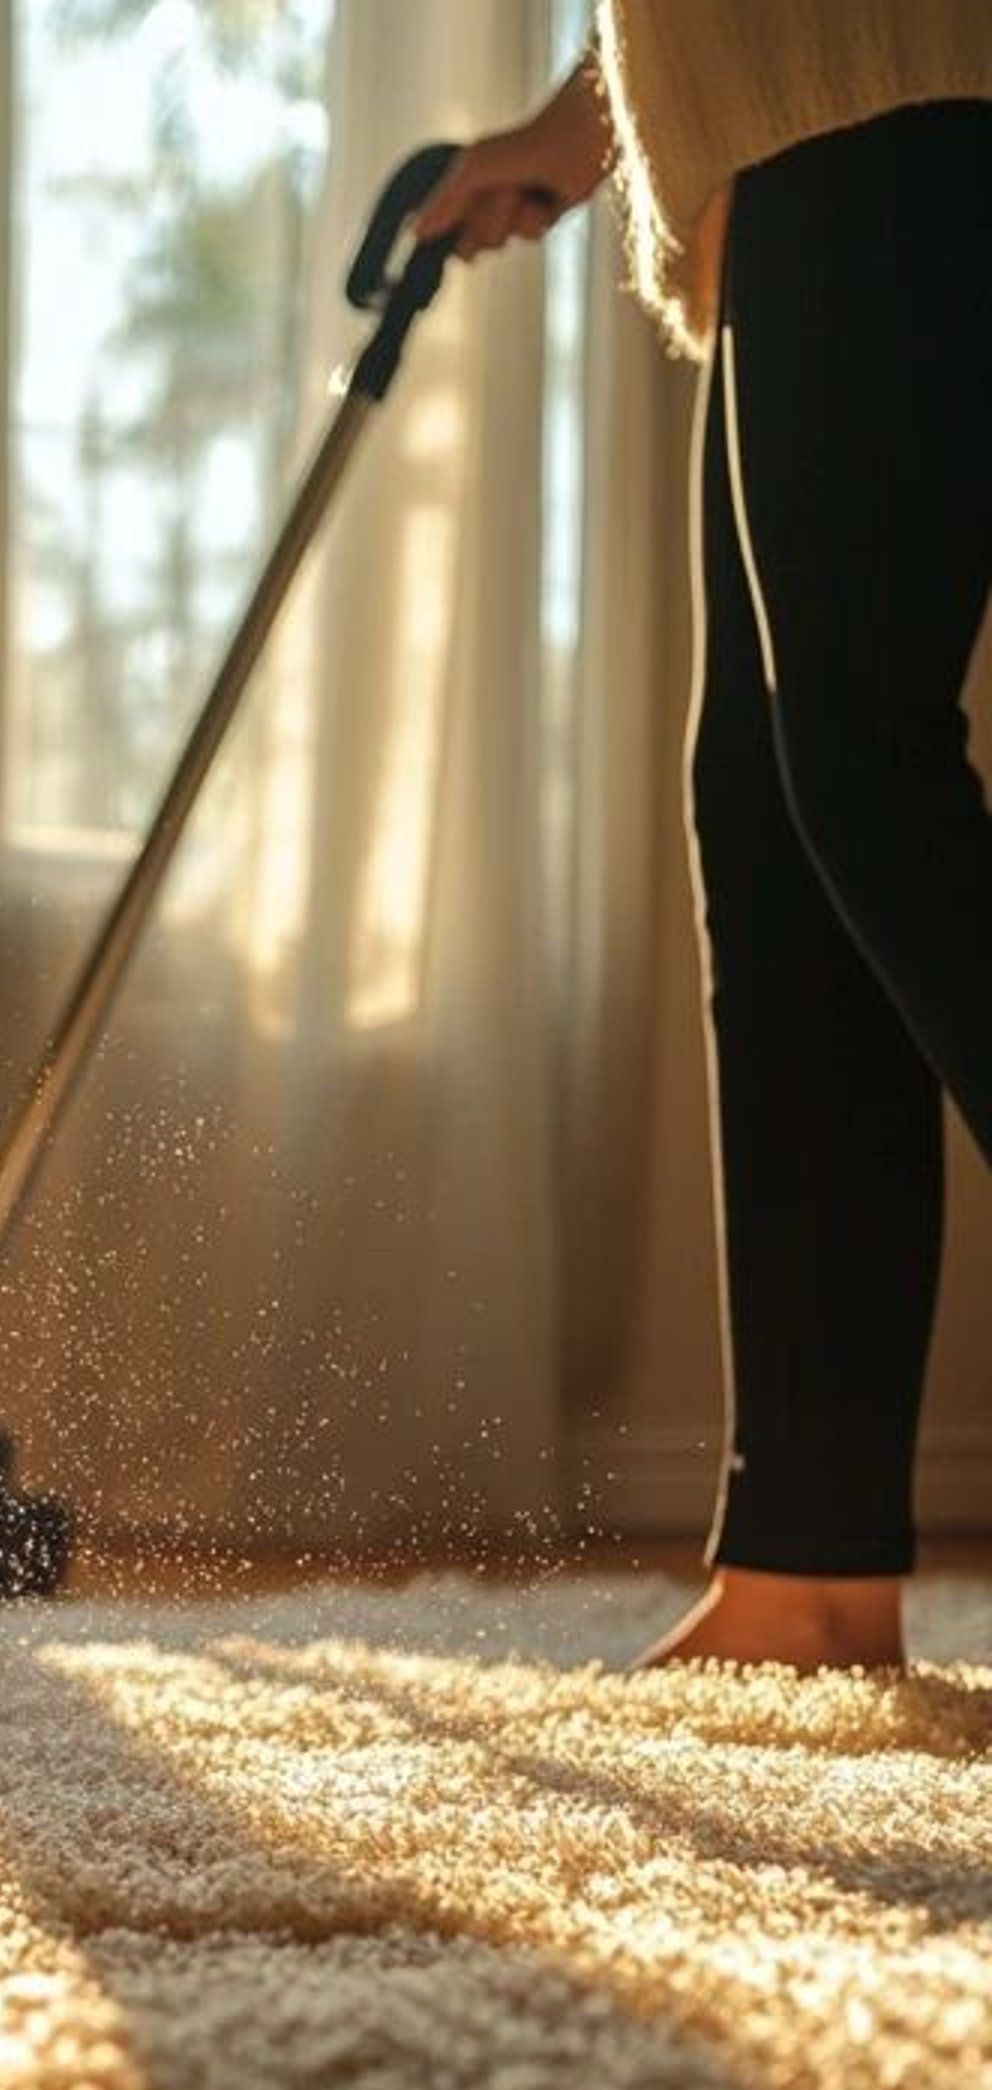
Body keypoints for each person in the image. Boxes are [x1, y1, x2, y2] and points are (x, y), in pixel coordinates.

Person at [417, 7, 992, 1671]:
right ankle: (807, 1571)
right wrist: (571, 131)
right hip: (814, 122)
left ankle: (814, 1569)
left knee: (859, 769)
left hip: (899, 94)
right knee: (779, 818)